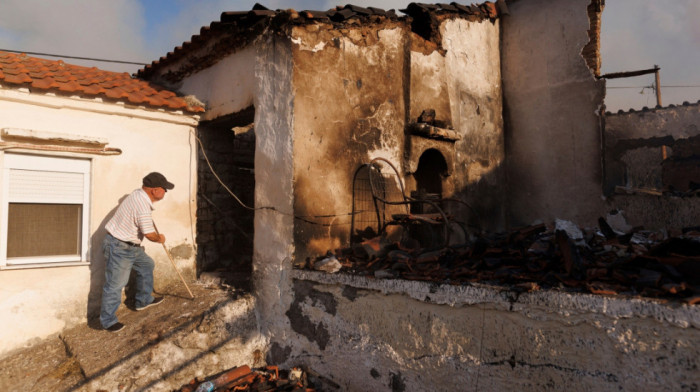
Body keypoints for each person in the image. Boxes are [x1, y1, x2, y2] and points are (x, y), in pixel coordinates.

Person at [100, 172, 174, 332]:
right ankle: (108, 321)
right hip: (119, 247)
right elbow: (149, 234)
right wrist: (159, 238)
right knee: (115, 284)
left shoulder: (138, 194)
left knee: (147, 264)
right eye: (164, 189)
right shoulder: (142, 206)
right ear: (154, 190)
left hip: (130, 245)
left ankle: (143, 300)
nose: (165, 192)